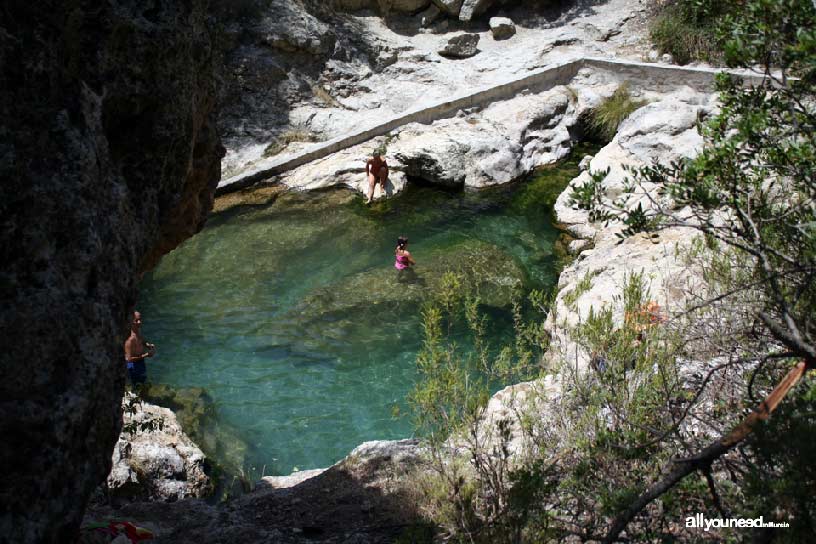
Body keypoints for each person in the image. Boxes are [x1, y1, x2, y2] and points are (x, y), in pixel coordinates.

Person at [124, 311, 155, 385]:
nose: (139, 322)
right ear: (131, 322)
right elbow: (129, 359)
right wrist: (146, 355)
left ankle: (142, 395)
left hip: (140, 361)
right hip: (132, 365)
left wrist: (148, 345)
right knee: (133, 385)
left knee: (143, 383)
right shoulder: (130, 339)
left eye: (140, 319)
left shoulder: (138, 331)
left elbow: (142, 340)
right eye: (136, 320)